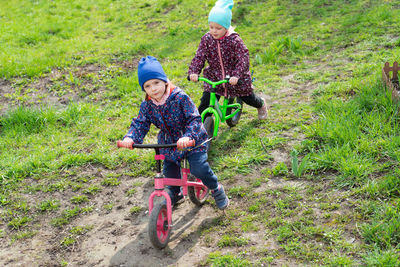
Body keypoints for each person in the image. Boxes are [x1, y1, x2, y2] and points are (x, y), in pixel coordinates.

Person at [118, 56, 229, 210]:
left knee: (199, 169)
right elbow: (140, 123)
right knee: (169, 173)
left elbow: (194, 119)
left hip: (192, 140)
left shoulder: (180, 98)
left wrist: (188, 136)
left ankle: (216, 188)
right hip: (169, 142)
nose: (153, 89)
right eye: (148, 86)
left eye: (156, 83)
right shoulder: (148, 105)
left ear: (165, 81)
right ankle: (175, 193)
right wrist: (130, 137)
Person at [188, 0, 267, 120]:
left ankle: (261, 104)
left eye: (218, 28)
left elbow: (243, 58)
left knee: (248, 98)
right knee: (205, 103)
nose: (214, 31)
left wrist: (237, 75)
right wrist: (194, 71)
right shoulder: (207, 39)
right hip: (215, 76)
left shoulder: (234, 40)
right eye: (211, 27)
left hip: (235, 77)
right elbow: (200, 56)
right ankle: (199, 130)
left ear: (226, 27)